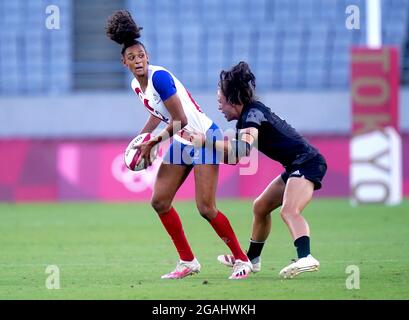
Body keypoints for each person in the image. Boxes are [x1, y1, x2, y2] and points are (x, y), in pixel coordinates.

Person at [105, 11, 252, 280]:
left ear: (147, 57)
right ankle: (188, 261)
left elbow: (180, 119)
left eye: (141, 56)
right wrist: (141, 141)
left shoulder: (159, 78)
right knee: (159, 201)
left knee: (205, 208)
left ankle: (242, 260)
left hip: (204, 137)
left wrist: (154, 142)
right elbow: (157, 113)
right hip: (183, 140)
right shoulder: (136, 86)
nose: (138, 61)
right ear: (123, 62)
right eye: (132, 58)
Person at [190, 61, 327, 279]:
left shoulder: (252, 114)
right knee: (261, 206)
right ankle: (252, 260)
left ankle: (306, 257)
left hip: (307, 162)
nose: (219, 107)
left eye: (220, 102)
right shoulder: (245, 118)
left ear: (233, 100)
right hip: (295, 165)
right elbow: (236, 155)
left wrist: (206, 141)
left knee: (289, 211)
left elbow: (242, 148)